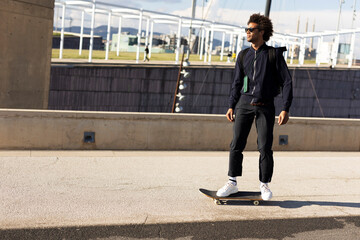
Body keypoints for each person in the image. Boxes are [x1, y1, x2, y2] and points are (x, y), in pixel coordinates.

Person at [216, 13, 293, 201]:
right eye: (247, 29)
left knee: (265, 147)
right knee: (236, 144)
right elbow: (236, 82)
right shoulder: (243, 55)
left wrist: (285, 108)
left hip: (266, 106)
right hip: (244, 105)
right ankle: (232, 182)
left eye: (251, 29)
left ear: (261, 32)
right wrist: (231, 105)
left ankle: (264, 185)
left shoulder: (273, 55)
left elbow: (287, 82)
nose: (247, 32)